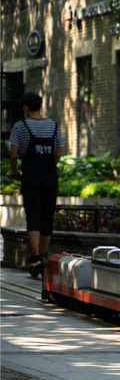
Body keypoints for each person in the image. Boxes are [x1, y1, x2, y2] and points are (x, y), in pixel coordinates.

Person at [8, 92, 65, 278]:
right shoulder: (54, 126)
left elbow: (14, 153)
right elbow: (58, 152)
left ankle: (34, 257)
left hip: (31, 177)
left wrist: (14, 170)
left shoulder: (20, 126)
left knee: (33, 216)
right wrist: (50, 167)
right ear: (40, 105)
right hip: (50, 177)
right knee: (47, 216)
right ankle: (43, 254)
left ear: (25, 107)